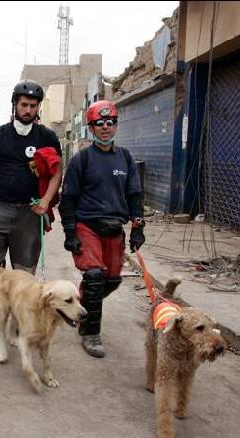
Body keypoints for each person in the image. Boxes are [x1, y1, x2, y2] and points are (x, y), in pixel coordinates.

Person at [0, 80, 63, 332]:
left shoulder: (47, 136)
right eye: (24, 105)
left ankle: (16, 317)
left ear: (38, 108)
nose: (28, 110)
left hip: (30, 212)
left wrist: (46, 200)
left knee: (25, 275)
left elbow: (56, 173)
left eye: (33, 106)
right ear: (15, 104)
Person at [58, 99, 145, 358]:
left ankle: (79, 305)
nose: (105, 128)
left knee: (112, 280)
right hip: (88, 227)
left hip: (114, 229)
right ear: (91, 128)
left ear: (116, 125)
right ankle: (90, 332)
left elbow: (135, 196)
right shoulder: (81, 160)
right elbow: (68, 199)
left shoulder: (125, 158)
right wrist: (71, 233)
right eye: (99, 124)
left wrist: (138, 227)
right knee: (95, 276)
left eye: (110, 123)